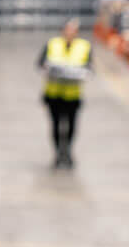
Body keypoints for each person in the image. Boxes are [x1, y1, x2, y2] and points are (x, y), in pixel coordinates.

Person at [38, 18, 92, 168]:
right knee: (55, 125)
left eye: (73, 30)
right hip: (54, 94)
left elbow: (89, 69)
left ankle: (67, 152)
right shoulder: (52, 44)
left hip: (72, 95)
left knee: (71, 126)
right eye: (67, 30)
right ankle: (57, 153)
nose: (69, 33)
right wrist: (51, 70)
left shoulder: (84, 46)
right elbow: (40, 65)